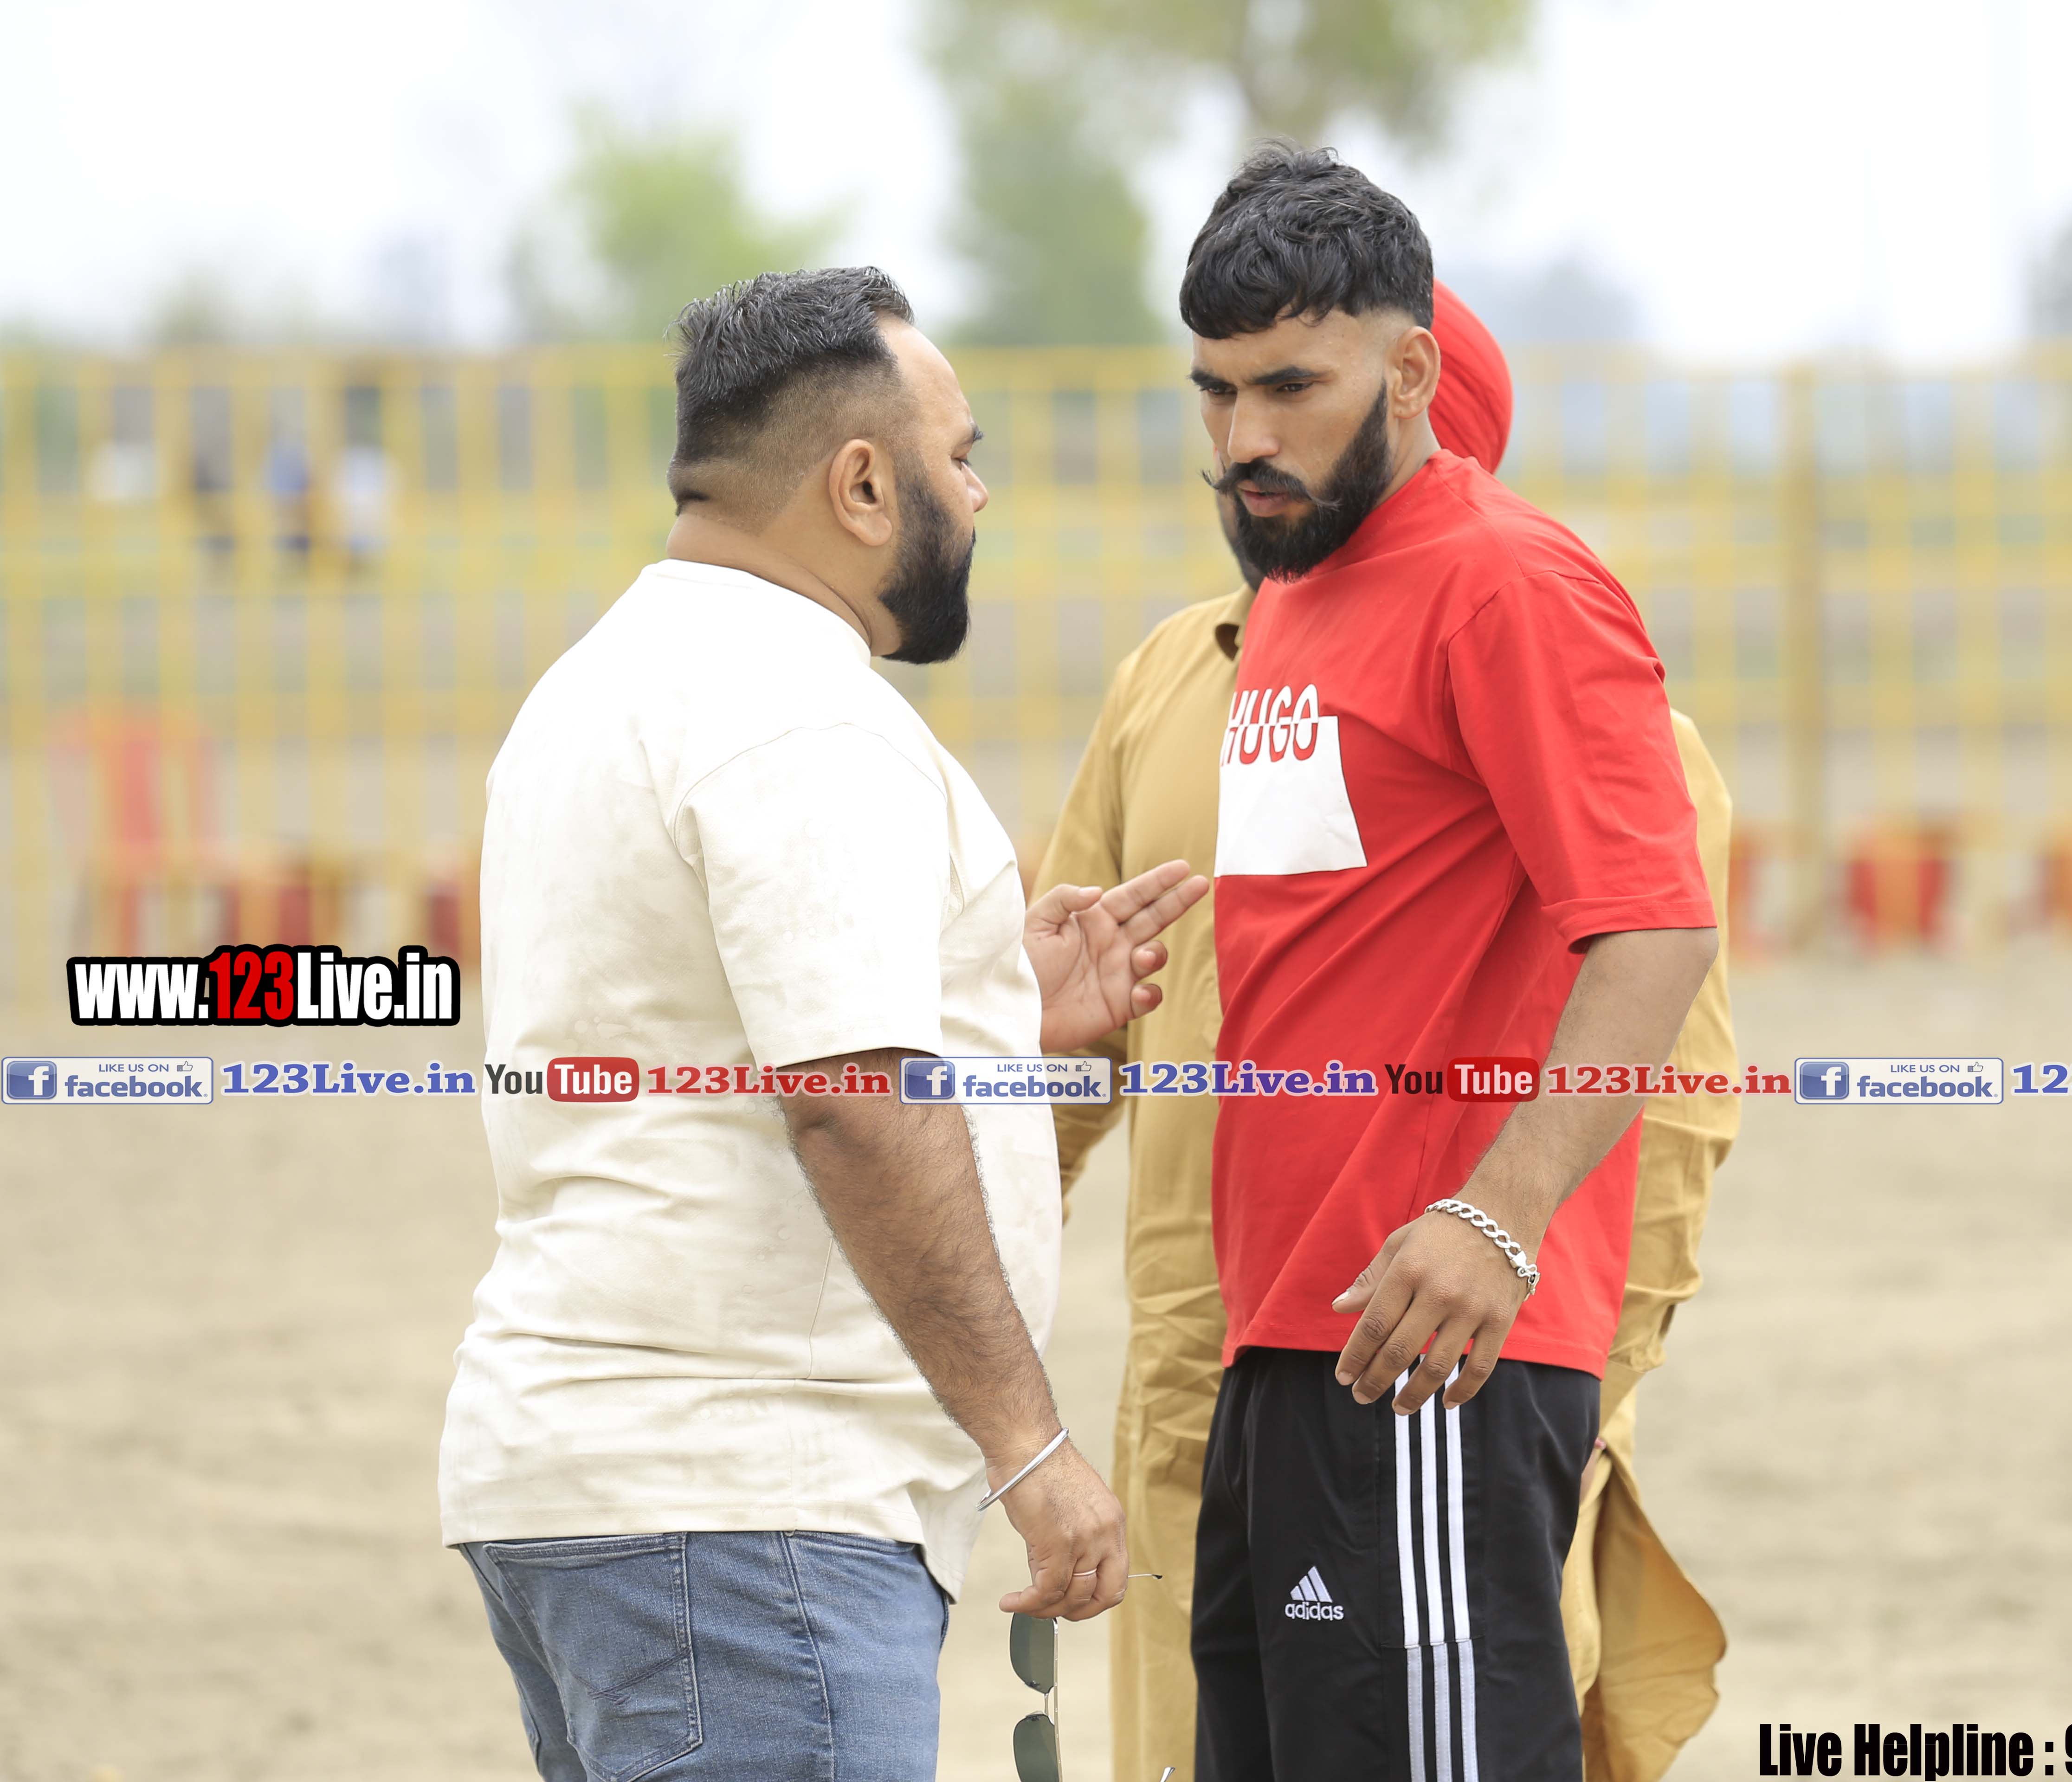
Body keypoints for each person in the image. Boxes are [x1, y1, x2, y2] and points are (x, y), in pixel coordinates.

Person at [438, 266, 1206, 1782]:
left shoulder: (597, 688)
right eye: (959, 457)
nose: (978, 496)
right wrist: (1033, 1448)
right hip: (749, 1517)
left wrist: (989, 1021)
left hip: (598, 1491)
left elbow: (708, 1038)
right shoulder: (801, 716)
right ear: (862, 484)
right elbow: (853, 1103)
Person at [1039, 283, 1733, 1782]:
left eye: (1293, 395)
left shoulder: (1533, 635)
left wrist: (1552, 1320)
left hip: (1431, 1347)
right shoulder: (1174, 682)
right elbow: (1069, 1042)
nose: (1247, 444)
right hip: (1223, 1362)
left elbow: (1673, 1087)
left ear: (1413, 413)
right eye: (1223, 397)